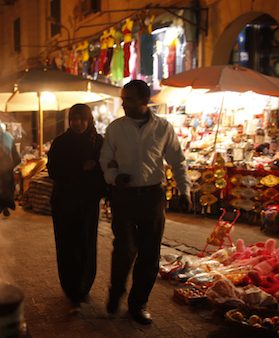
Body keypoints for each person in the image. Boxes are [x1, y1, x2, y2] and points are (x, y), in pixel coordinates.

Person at [100, 80, 192, 325]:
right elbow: (106, 158)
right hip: (125, 196)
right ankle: (116, 292)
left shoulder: (163, 128)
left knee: (149, 254)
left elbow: (177, 160)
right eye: (122, 98)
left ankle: (138, 303)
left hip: (152, 196)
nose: (123, 103)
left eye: (127, 99)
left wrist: (185, 190)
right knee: (125, 249)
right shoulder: (116, 128)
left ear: (143, 101)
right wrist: (114, 177)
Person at [47, 104, 107, 310]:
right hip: (63, 202)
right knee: (66, 244)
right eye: (74, 119)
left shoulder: (98, 142)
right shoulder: (60, 142)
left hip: (88, 204)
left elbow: (105, 170)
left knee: (86, 244)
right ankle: (70, 287)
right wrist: (81, 167)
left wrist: (96, 172)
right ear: (69, 120)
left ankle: (84, 286)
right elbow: (52, 170)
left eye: (82, 119)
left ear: (89, 120)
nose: (78, 123)